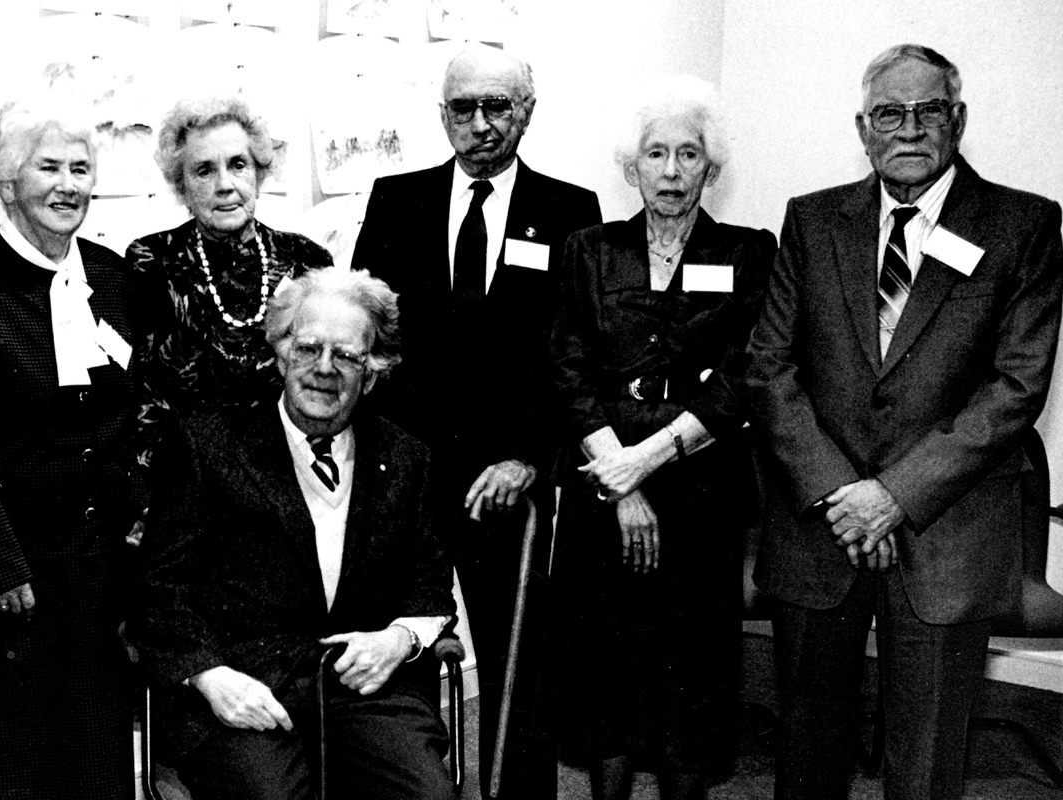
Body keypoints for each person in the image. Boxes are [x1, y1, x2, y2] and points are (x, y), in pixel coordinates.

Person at [743, 44, 1063, 800]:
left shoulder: (1024, 225)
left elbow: (1016, 388)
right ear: (863, 128)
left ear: (958, 120)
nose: (910, 128)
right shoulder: (812, 220)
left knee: (923, 772)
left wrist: (893, 494)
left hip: (946, 534)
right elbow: (769, 369)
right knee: (807, 758)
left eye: (928, 112)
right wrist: (840, 492)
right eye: (890, 113)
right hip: (823, 528)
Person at [350, 42, 600, 798]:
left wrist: (528, 456)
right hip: (409, 474)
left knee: (516, 659)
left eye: (501, 107)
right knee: (411, 648)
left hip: (510, 478)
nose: (483, 124)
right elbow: (373, 337)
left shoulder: (569, 210)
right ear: (443, 115)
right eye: (467, 108)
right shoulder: (396, 199)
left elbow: (573, 352)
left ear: (527, 112)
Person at [132, 267, 457, 800]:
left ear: (372, 372)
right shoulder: (208, 447)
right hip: (243, 682)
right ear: (279, 354)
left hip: (361, 682)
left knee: (427, 796)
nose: (323, 370)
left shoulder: (406, 458)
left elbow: (430, 583)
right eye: (307, 349)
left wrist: (397, 640)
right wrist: (209, 676)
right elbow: (160, 589)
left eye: (347, 356)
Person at [549, 76, 775, 800]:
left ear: (712, 168)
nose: (672, 172)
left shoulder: (749, 250)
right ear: (631, 167)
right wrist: (621, 476)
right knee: (605, 661)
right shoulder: (587, 249)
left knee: (693, 667)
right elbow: (568, 368)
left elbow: (744, 374)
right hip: (601, 480)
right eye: (656, 154)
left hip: (702, 486)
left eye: (688, 154)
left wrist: (650, 458)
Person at [0, 93, 142, 799]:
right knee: (12, 763)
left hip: (101, 571)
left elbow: (138, 418)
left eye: (81, 168)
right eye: (48, 167)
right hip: (12, 575)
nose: (68, 185)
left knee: (98, 758)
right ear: (5, 181)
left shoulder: (113, 279)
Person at [128, 96, 335, 463]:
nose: (225, 185)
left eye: (238, 165)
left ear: (258, 172)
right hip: (187, 476)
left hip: (284, 474)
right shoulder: (151, 261)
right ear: (182, 185)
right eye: (204, 171)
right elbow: (141, 394)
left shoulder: (307, 261)